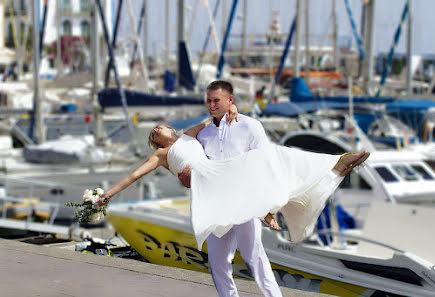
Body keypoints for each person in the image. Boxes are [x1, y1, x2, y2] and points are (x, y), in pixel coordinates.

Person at [98, 81, 370, 297]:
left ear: (170, 128)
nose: (156, 131)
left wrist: (233, 111)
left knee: (267, 164)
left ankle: (334, 164)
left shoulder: (193, 133)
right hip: (212, 196)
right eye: (153, 135)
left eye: (158, 128)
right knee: (218, 264)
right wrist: (107, 195)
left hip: (231, 185)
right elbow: (135, 175)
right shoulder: (167, 153)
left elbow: (214, 122)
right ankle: (266, 210)